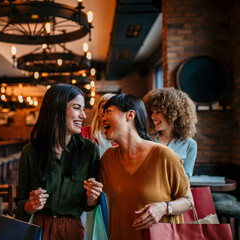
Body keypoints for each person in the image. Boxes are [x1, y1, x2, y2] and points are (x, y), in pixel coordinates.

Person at [15, 84, 103, 240]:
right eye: (77, 108)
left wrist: (92, 197)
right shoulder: (30, 151)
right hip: (37, 228)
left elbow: (88, 206)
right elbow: (20, 204)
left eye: (83, 109)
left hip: (72, 230)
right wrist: (31, 204)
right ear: (56, 111)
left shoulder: (90, 150)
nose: (83, 115)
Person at [100, 94, 193, 240]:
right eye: (102, 114)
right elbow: (97, 197)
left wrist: (164, 208)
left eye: (108, 112)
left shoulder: (164, 155)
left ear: (130, 115)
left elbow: (188, 201)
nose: (103, 118)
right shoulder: (108, 158)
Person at [142, 87, 198, 179]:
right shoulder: (146, 140)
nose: (153, 116)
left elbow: (186, 178)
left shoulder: (190, 145)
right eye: (152, 112)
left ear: (173, 114)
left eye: (158, 112)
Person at [81, 93, 115, 240]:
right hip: (87, 188)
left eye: (111, 108)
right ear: (99, 110)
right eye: (104, 107)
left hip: (110, 190)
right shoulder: (84, 133)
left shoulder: (117, 138)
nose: (106, 112)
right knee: (87, 230)